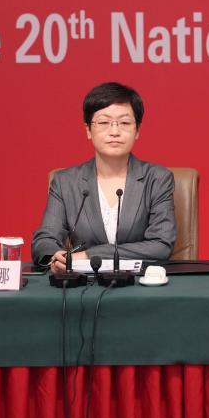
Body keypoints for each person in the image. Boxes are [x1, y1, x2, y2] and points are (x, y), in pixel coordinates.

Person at [33, 82, 176, 274]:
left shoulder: (157, 179)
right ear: (88, 130)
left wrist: (89, 255)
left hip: (140, 283)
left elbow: (161, 246)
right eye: (103, 123)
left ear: (137, 131)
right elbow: (44, 240)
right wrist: (55, 257)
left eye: (124, 123)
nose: (114, 132)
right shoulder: (65, 182)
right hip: (81, 284)